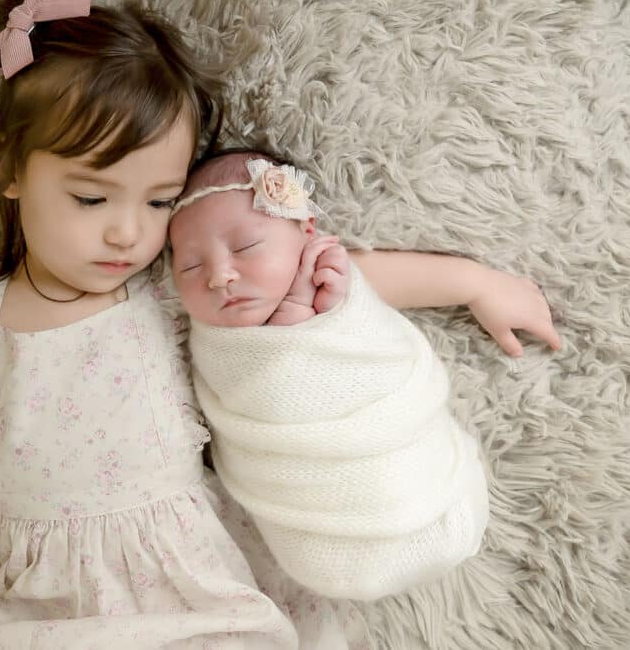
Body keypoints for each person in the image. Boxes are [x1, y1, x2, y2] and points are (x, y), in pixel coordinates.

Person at [0, 0, 554, 648]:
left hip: (190, 575)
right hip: (46, 601)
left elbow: (333, 273)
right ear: (10, 170)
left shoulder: (167, 288)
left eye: (159, 201)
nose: (128, 231)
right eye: (90, 195)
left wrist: (470, 280)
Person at [167, 150, 561, 601]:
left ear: (306, 234)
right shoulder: (207, 335)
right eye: (190, 267)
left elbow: (386, 298)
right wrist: (290, 327)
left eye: (245, 247)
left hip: (414, 477)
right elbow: (262, 401)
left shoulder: (331, 275)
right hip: (306, 524)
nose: (219, 276)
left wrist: (482, 285)